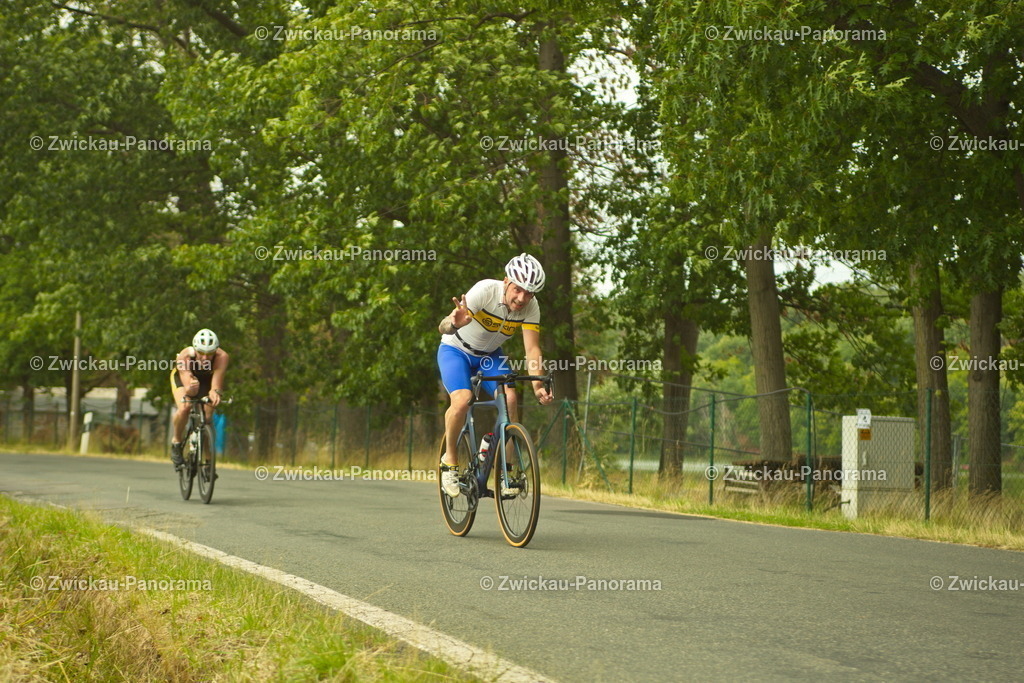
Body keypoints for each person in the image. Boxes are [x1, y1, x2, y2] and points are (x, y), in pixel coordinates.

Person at [437, 253, 554, 497]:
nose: (522, 298)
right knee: (462, 399)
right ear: (506, 282)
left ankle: (506, 473)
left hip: (490, 356)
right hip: (455, 350)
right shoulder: (485, 290)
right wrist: (454, 323)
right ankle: (449, 461)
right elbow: (444, 326)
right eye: (518, 289)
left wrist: (537, 387)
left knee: (510, 399)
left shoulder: (531, 308)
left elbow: (532, 349)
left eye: (530, 293)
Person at [169, 328, 229, 469]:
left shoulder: (222, 357)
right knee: (185, 407)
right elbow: (188, 386)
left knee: (207, 419)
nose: (205, 358)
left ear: (216, 350)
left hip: (206, 380)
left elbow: (216, 384)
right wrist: (191, 386)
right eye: (201, 353)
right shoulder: (184, 356)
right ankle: (176, 441)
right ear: (195, 350)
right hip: (183, 379)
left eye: (210, 354)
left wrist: (214, 393)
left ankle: (208, 461)